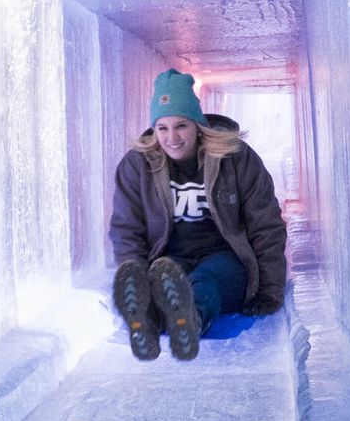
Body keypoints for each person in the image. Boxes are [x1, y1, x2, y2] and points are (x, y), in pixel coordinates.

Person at [109, 68, 289, 361]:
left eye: (181, 126)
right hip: (168, 260)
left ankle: (190, 319)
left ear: (197, 124)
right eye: (162, 128)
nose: (172, 137)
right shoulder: (137, 165)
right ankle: (145, 316)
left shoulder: (235, 157)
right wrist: (137, 273)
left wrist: (270, 290)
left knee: (208, 280)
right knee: (166, 279)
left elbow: (265, 223)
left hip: (226, 258)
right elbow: (127, 229)